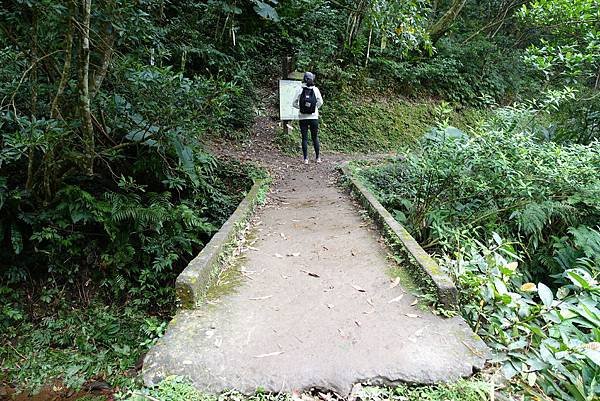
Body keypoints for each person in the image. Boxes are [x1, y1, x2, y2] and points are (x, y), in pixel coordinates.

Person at [292, 72, 323, 164]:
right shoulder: (316, 89)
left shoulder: (299, 89)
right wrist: (314, 108)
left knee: (304, 138)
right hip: (314, 117)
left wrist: (301, 108)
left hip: (302, 117)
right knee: (315, 137)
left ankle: (306, 159)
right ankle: (317, 158)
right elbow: (320, 102)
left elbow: (294, 103)